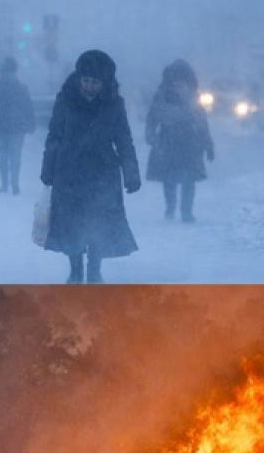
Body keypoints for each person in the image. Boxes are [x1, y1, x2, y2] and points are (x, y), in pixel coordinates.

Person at [40, 49, 141, 284]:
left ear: (104, 83)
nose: (89, 86)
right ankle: (75, 270)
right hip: (69, 173)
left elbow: (124, 139)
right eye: (85, 80)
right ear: (78, 78)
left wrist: (131, 174)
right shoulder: (65, 100)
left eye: (95, 82)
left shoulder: (115, 105)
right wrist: (48, 168)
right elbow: (54, 135)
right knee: (72, 224)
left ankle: (94, 269)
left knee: (99, 223)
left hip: (102, 174)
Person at [145, 59, 214, 222]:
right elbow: (152, 118)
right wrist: (152, 137)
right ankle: (170, 207)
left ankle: (186, 212)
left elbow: (202, 122)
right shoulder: (161, 97)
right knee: (169, 178)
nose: (178, 84)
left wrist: (208, 144)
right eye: (175, 81)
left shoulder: (194, 99)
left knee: (189, 179)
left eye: (182, 80)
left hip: (190, 143)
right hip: (167, 142)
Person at [0, 57, 37, 195]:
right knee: (4, 156)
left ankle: (14, 184)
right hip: (1, 128)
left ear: (14, 73)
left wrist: (31, 123)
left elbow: (28, 108)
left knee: (15, 157)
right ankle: (5, 184)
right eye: (5, 72)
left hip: (16, 129)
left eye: (9, 72)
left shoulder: (20, 89)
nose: (7, 75)